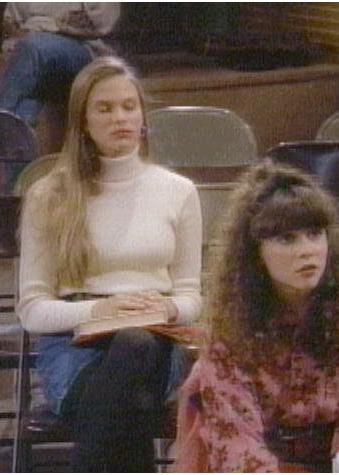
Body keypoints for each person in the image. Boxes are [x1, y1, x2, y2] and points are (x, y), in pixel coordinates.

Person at [17, 56, 202, 472]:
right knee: (130, 398)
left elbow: (192, 298)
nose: (120, 118)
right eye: (105, 108)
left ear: (142, 116)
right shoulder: (49, 194)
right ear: (83, 122)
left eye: (128, 106)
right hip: (73, 346)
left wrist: (166, 308)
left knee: (135, 343)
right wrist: (102, 310)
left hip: (155, 342)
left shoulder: (178, 192)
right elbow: (32, 311)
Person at [173, 162, 339, 472]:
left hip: (337, 462)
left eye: (315, 234)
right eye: (287, 239)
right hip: (259, 462)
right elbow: (236, 446)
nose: (307, 251)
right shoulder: (230, 333)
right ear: (255, 253)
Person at [0, 3, 120, 192]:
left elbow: (101, 22)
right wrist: (31, 38)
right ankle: (16, 195)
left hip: (85, 54)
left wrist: (39, 28)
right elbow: (11, 30)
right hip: (36, 60)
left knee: (35, 45)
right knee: (23, 109)